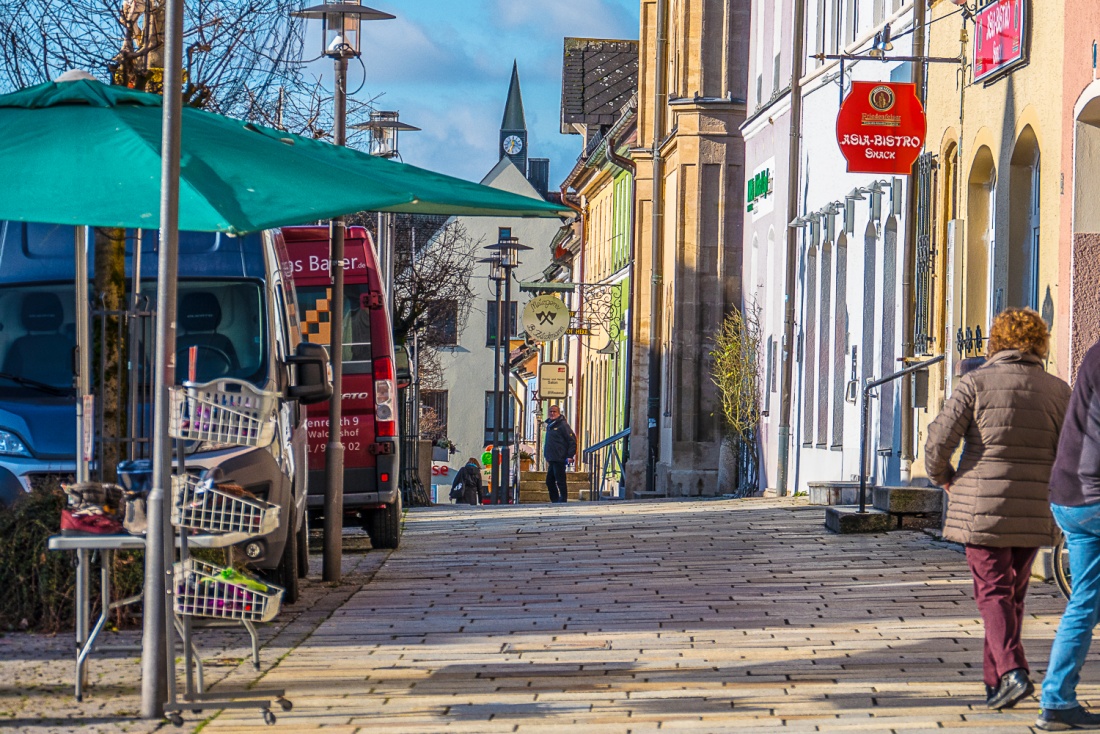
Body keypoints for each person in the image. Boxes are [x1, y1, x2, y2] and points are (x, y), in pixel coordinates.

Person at [924, 307, 1070, 712]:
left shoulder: (975, 384)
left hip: (980, 508)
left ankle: (1012, 671)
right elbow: (1072, 453)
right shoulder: (1059, 391)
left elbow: (938, 442)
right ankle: (997, 684)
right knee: (1012, 596)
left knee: (992, 593)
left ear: (997, 342)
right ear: (1039, 343)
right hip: (1034, 509)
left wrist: (946, 478)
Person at [1037, 333, 1100, 730]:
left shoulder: (1094, 354)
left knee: (1085, 602)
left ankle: (1057, 701)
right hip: (1094, 495)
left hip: (1069, 497)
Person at [543, 404, 576, 503]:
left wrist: (570, 455)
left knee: (560, 480)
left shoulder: (562, 425)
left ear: (558, 413)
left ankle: (562, 499)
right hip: (552, 458)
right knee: (549, 481)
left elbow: (572, 440)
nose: (552, 413)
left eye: (554, 411)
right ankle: (555, 500)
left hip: (560, 457)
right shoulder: (550, 425)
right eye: (550, 412)